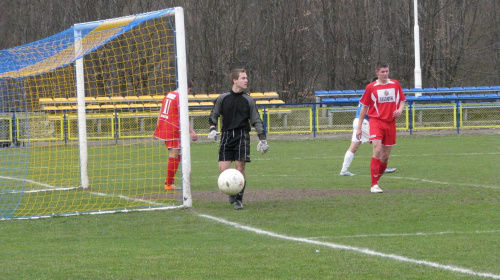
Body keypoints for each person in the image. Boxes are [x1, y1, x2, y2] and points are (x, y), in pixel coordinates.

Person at [208, 69, 269, 210]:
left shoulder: (248, 100)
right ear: (235, 80)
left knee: (240, 168)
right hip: (226, 136)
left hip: (242, 136)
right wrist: (212, 127)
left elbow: (256, 120)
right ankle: (231, 190)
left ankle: (239, 200)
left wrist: (262, 138)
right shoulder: (223, 98)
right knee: (223, 169)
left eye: (246, 78)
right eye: (243, 78)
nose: (246, 80)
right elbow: (214, 114)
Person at [356, 62, 405, 193]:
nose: (385, 74)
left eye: (387, 71)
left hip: (390, 123)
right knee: (377, 150)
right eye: (382, 71)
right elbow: (364, 108)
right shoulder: (371, 87)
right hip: (376, 121)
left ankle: (376, 180)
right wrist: (359, 127)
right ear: (376, 72)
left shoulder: (395, 84)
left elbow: (402, 101)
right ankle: (374, 185)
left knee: (385, 157)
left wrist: (400, 110)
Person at [340, 78, 396, 176]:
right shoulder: (373, 93)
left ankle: (344, 170)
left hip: (357, 121)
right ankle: (382, 166)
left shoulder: (368, 92)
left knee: (354, 146)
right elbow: (367, 110)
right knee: (381, 142)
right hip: (364, 122)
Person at [154, 80, 198, 191]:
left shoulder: (169, 94)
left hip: (164, 127)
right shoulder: (180, 97)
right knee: (174, 155)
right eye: (189, 90)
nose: (188, 93)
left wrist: (158, 127)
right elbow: (183, 116)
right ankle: (168, 184)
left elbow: (160, 111)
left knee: (176, 155)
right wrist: (192, 131)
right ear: (186, 87)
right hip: (173, 129)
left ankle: (170, 182)